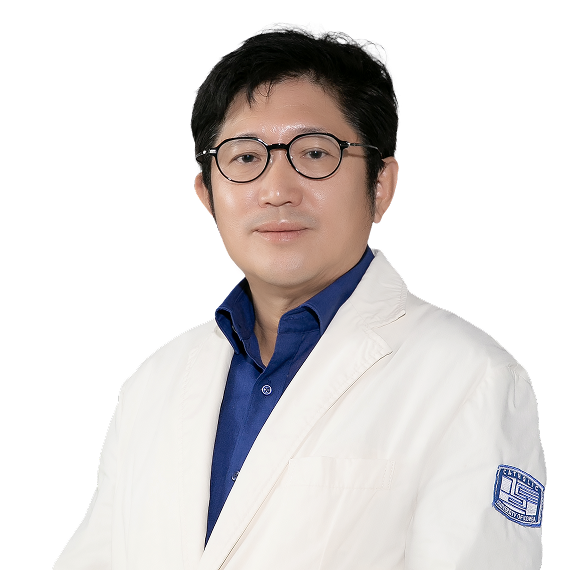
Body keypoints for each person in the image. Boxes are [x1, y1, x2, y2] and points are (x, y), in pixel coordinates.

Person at [54, 21, 546, 569]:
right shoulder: (153, 384)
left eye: (314, 153)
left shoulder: (471, 379)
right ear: (205, 191)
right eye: (245, 157)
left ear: (381, 183)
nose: (277, 190)